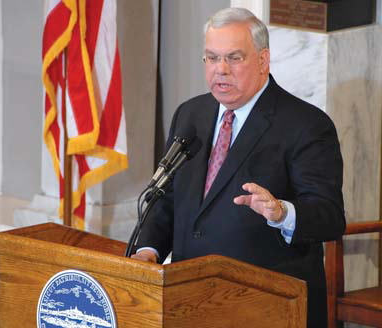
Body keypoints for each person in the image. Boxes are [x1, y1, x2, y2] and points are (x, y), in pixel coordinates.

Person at [132, 7, 345, 328]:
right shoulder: (190, 115)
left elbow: (330, 217)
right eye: (211, 58)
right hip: (189, 299)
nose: (221, 70)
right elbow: (166, 199)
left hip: (266, 306)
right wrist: (148, 250)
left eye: (234, 58)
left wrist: (283, 213)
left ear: (263, 60)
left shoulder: (306, 125)